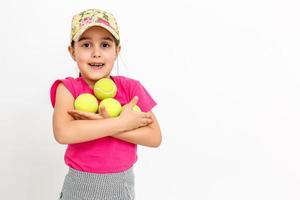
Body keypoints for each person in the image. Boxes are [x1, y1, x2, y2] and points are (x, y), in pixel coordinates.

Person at [50, 9, 162, 200]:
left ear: (117, 51)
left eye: (105, 44)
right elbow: (63, 133)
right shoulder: (68, 88)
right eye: (86, 44)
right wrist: (120, 123)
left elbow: (154, 137)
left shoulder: (131, 88)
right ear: (72, 51)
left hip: (121, 187)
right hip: (78, 187)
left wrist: (99, 123)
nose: (96, 53)